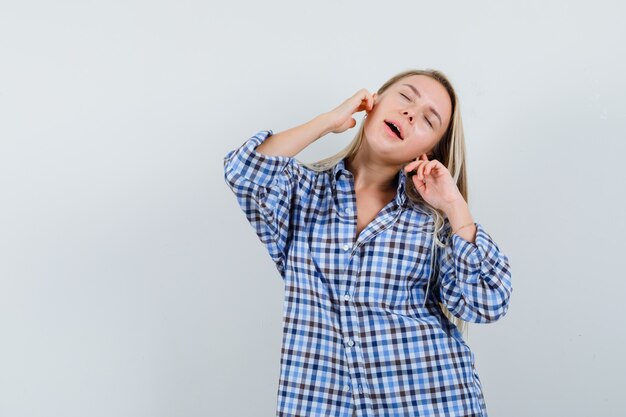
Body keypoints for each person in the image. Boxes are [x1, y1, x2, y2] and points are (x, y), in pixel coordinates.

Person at [223, 69, 513, 417]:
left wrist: (454, 207)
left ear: (429, 149)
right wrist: (327, 121)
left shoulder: (434, 221)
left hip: (433, 402)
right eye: (406, 97)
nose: (410, 113)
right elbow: (243, 171)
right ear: (372, 102)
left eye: (428, 120)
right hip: (323, 404)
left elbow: (487, 302)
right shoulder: (302, 192)